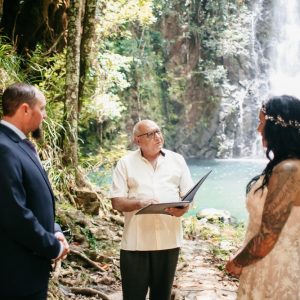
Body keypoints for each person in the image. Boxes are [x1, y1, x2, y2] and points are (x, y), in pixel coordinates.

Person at [109, 119, 194, 300]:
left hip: (168, 241)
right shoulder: (125, 164)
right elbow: (116, 202)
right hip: (135, 243)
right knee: (133, 296)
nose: (157, 137)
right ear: (137, 140)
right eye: (150, 134)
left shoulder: (177, 160)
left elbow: (189, 197)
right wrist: (138, 202)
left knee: (161, 296)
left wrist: (183, 209)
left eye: (158, 131)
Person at [0, 83, 70, 300]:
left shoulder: (18, 144)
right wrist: (52, 247)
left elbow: (35, 199)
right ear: (25, 109)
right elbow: (13, 213)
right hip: (14, 275)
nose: (45, 115)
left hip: (30, 271)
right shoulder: (4, 148)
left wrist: (54, 230)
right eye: (43, 108)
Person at [226, 95, 300, 299]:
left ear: (278, 128)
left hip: (276, 269)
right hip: (265, 263)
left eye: (262, 122)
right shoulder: (287, 166)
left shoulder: (289, 170)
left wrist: (237, 262)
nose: (259, 130)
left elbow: (268, 236)